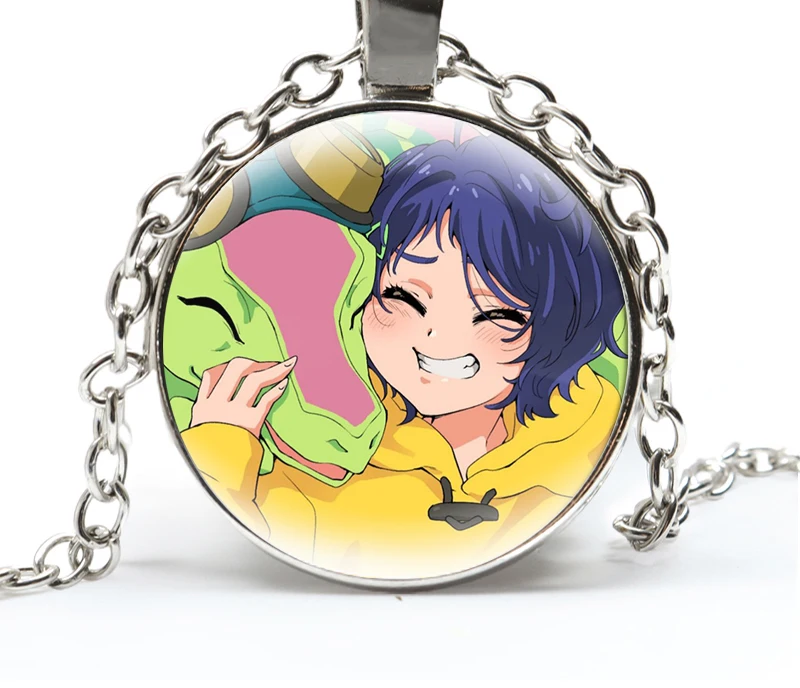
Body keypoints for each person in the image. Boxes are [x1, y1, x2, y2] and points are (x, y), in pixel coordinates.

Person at [178, 122, 628, 579]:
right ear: (361, 290)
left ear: (558, 327)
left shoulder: (582, 434)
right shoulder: (330, 440)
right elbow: (256, 523)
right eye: (404, 299)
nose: (439, 341)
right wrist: (224, 442)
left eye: (497, 315)